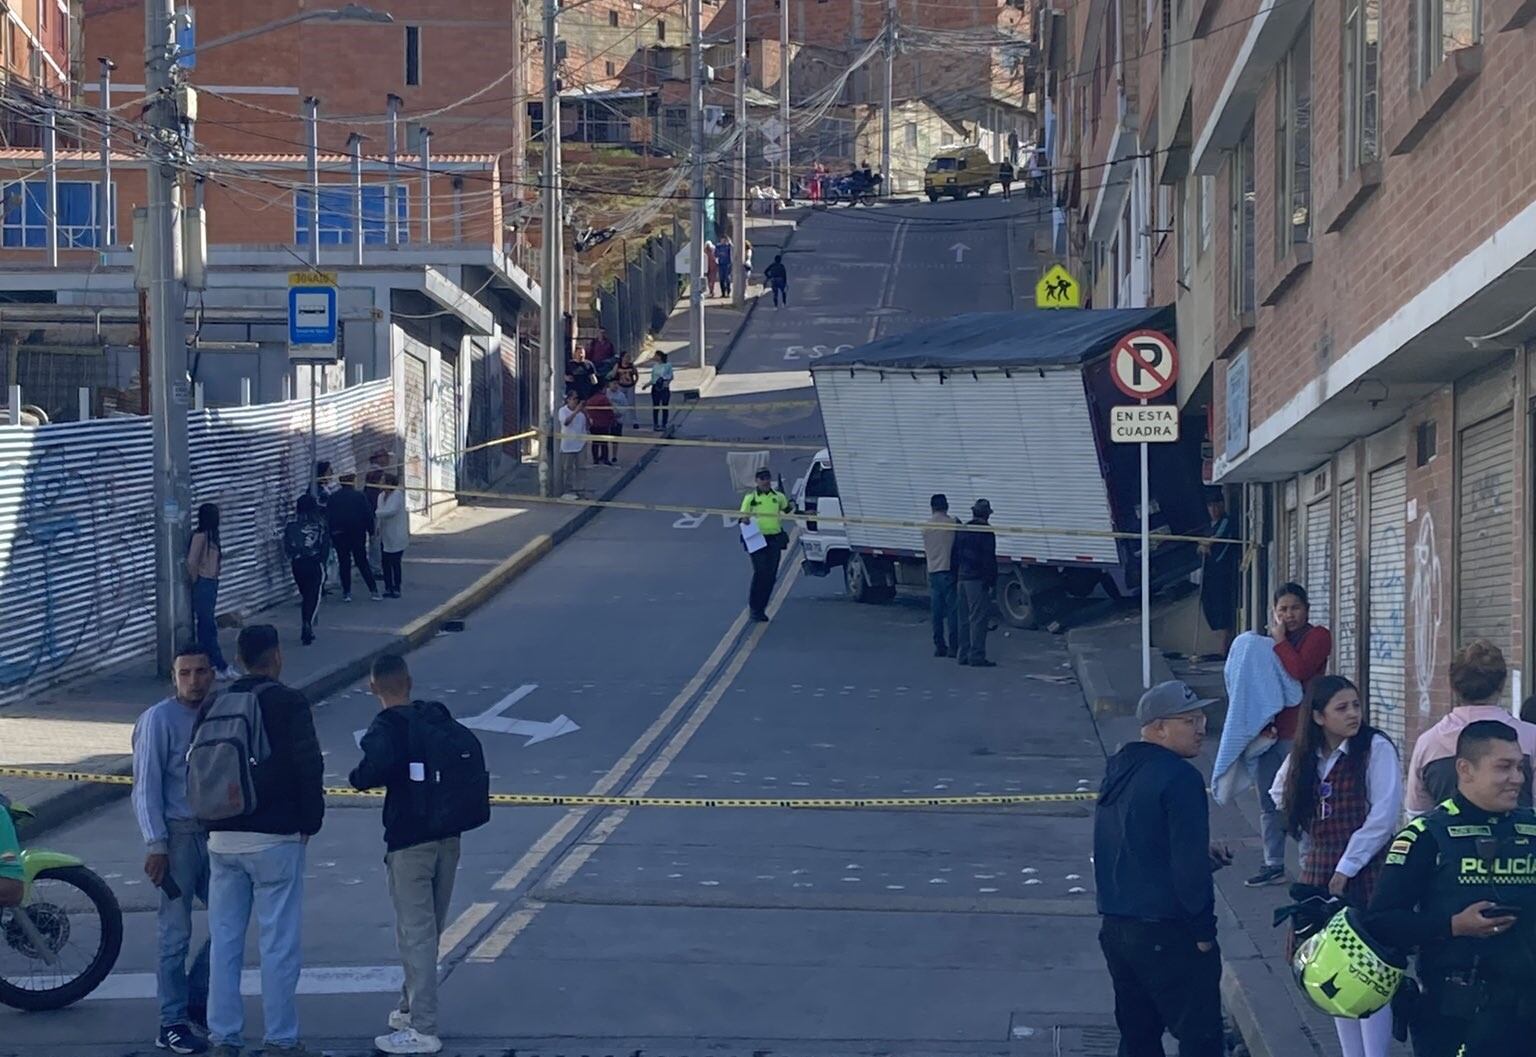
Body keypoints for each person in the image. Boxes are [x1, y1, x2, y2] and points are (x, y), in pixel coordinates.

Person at [1366, 721, 1536, 1056]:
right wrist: (1452, 926)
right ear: (1465, 769)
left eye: (1521, 766)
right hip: (1454, 1017)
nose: (1517, 778)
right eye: (1503, 767)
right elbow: (1381, 923)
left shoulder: (1531, 829)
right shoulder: (1426, 835)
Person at [204, 625, 325, 1057]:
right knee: (278, 942)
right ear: (276, 657)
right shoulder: (289, 702)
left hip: (222, 836)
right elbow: (307, 766)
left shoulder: (216, 702)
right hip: (275, 838)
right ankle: (280, 1038)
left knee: (224, 940)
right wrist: (310, 821)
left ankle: (224, 1036)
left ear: (238, 659)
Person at [350, 655, 477, 1055]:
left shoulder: (386, 727)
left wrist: (359, 777)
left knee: (414, 934)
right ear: (409, 681)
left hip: (409, 843)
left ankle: (423, 1028)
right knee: (429, 929)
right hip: (448, 837)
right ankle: (409, 1007)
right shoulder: (434, 718)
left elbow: (369, 772)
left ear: (373, 688)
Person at [1094, 681, 1228, 1057]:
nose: (1202, 728)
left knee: (1138, 1038)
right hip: (1168, 930)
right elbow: (1187, 869)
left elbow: (1130, 844)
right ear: (1158, 728)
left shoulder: (1119, 770)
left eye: (1202, 717)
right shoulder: (1181, 778)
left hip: (1118, 927)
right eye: (1190, 720)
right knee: (1200, 1037)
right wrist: (1203, 930)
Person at [1271, 676, 1402, 1057]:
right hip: (1319, 868)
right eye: (1342, 708)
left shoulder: (1374, 748)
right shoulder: (1305, 756)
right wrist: (1310, 842)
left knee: (1370, 970)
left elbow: (1384, 815)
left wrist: (1347, 866)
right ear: (1318, 717)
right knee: (1330, 968)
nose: (1353, 715)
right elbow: (1280, 792)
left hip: (1368, 870)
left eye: (1356, 705)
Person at [132, 645, 217, 1055]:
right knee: (174, 934)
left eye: (201, 672)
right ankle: (171, 1021)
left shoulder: (218, 711)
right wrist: (156, 844)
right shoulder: (157, 720)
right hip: (177, 839)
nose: (194, 681)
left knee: (227, 924)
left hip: (216, 834)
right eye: (186, 673)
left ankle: (197, 1001)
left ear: (212, 675)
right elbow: (145, 787)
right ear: (173, 676)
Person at [1246, 581, 1333, 887]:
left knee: (1301, 797)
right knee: (1269, 800)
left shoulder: (1318, 636)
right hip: (1269, 731)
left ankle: (1310, 864)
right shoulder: (1267, 643)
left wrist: (1280, 641)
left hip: (1301, 731)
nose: (1289, 615)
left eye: (1295, 608)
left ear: (1306, 610)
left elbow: (1299, 670)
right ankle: (1273, 863)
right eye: (1282, 609)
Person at [1406, 640, 1536, 817]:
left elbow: (1417, 813)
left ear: (1452, 686)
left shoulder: (1429, 743)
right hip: (1521, 842)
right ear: (1502, 684)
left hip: (1447, 843)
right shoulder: (1531, 738)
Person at [185, 504, 235, 681]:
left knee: (207, 626)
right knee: (207, 626)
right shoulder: (200, 537)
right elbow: (192, 562)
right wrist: (195, 580)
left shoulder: (212, 536)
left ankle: (214, 665)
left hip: (211, 582)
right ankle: (218, 664)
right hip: (204, 583)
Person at [740, 467, 792, 623]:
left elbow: (789, 510)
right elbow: (743, 516)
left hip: (774, 539)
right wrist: (744, 519)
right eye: (762, 478)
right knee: (760, 572)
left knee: (770, 576)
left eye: (767, 478)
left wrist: (806, 512)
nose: (765, 481)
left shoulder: (779, 497)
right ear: (756, 481)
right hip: (757, 540)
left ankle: (761, 608)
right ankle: (754, 607)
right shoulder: (751, 498)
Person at [951, 499, 998, 668]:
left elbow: (955, 554)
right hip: (976, 580)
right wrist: (991, 581)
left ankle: (962, 654)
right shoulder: (986, 532)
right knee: (978, 619)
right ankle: (977, 655)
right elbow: (988, 559)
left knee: (963, 618)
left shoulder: (964, 530)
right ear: (986, 514)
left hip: (962, 578)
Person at [282, 495, 330, 646]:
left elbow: (287, 546)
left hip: (297, 564)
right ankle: (307, 623)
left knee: (305, 593)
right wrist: (322, 560)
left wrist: (293, 556)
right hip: (314, 563)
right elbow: (325, 545)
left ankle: (307, 621)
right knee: (313, 595)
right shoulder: (320, 524)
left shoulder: (291, 525)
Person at [326, 473, 381, 603]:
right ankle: (373, 591)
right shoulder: (359, 496)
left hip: (339, 534)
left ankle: (347, 592)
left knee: (344, 562)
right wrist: (371, 532)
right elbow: (368, 515)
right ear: (353, 481)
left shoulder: (333, 497)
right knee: (362, 561)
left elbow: (329, 517)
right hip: (357, 534)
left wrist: (331, 534)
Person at [1196, 490, 1238, 656]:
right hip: (1209, 574)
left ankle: (1224, 649)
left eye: (1216, 505)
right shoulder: (1209, 526)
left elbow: (1216, 540)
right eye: (1210, 506)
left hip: (1222, 574)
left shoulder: (1226, 522)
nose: (1213, 509)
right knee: (1210, 607)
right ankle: (1220, 648)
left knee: (1222, 609)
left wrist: (1206, 544)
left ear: (1222, 505)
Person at [922, 494, 960, 658]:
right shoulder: (953, 523)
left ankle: (939, 646)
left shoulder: (926, 527)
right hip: (948, 570)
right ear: (947, 506)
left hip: (933, 571)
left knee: (937, 612)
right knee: (952, 611)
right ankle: (954, 647)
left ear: (932, 507)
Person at [375, 475, 409, 599]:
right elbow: (381, 510)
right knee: (385, 562)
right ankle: (388, 587)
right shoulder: (381, 496)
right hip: (385, 534)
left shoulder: (398, 495)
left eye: (383, 481)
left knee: (395, 562)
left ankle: (397, 587)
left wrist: (375, 513)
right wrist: (377, 527)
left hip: (396, 533)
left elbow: (391, 511)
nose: (380, 484)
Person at [364, 449, 391, 577]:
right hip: (375, 511)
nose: (388, 460)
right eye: (385, 457)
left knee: (375, 540)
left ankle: (375, 566)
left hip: (372, 511)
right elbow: (375, 493)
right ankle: (375, 568)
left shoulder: (374, 471)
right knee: (376, 541)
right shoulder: (376, 472)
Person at [557, 392, 588, 495]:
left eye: (577, 399)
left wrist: (585, 413)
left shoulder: (581, 413)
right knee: (567, 468)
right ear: (568, 399)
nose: (576, 401)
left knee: (581, 468)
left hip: (581, 443)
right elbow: (566, 422)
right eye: (574, 399)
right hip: (568, 444)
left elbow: (588, 425)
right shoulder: (563, 411)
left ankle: (580, 488)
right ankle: (567, 489)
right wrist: (576, 411)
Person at [585, 383, 617, 466]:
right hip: (603, 424)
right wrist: (613, 420)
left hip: (593, 424)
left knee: (595, 443)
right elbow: (609, 411)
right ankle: (605, 458)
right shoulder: (604, 399)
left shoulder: (590, 399)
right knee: (604, 443)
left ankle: (595, 459)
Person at [604, 378, 632, 465]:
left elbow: (626, 407)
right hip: (607, 420)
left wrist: (620, 414)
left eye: (616, 384)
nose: (615, 385)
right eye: (613, 383)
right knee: (605, 439)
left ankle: (614, 456)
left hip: (618, 420)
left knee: (615, 439)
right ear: (609, 384)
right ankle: (605, 456)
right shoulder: (606, 393)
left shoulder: (621, 395)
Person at [646, 351, 674, 430]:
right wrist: (647, 385)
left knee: (664, 406)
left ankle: (664, 424)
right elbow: (653, 378)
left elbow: (671, 376)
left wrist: (667, 383)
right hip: (655, 387)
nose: (654, 357)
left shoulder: (668, 365)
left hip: (664, 387)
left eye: (656, 355)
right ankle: (655, 424)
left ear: (659, 356)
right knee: (656, 406)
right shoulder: (655, 366)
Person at [615, 354, 640, 429]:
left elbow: (636, 374)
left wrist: (635, 382)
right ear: (622, 358)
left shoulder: (631, 365)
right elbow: (613, 374)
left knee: (631, 403)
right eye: (626, 357)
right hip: (621, 386)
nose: (627, 359)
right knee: (620, 403)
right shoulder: (618, 365)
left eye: (628, 357)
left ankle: (634, 421)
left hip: (630, 387)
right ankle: (620, 421)